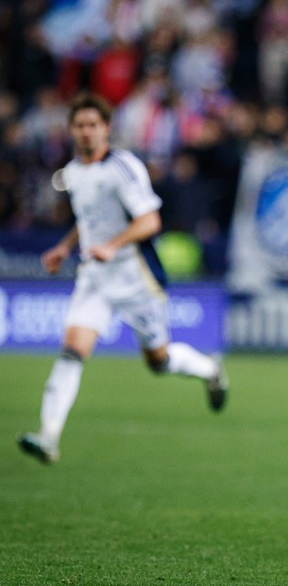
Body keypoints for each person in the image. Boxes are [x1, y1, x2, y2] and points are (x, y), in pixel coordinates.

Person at [17, 93, 229, 465]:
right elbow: (88, 221)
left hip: (136, 276)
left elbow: (150, 221)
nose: (86, 133)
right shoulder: (74, 172)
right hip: (96, 277)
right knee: (72, 349)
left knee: (158, 362)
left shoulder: (124, 167)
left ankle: (210, 370)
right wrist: (65, 247)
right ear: (71, 130)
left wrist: (112, 246)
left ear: (106, 129)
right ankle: (48, 436)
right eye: (79, 126)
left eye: (92, 126)